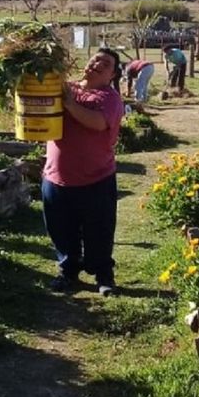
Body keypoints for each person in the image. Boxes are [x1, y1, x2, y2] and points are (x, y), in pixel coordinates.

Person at [41, 47, 124, 296]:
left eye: (106, 64)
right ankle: (68, 272)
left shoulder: (109, 98)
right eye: (96, 59)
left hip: (96, 177)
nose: (98, 64)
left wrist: (68, 103)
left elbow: (97, 123)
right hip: (56, 175)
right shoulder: (65, 87)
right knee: (61, 229)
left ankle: (103, 276)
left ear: (112, 75)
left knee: (98, 229)